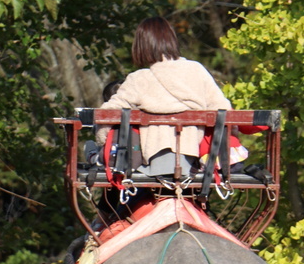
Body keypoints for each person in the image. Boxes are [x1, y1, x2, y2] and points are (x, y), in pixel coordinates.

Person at [95, 16, 234, 177]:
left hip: (152, 158)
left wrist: (101, 140)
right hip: (192, 155)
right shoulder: (197, 70)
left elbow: (108, 113)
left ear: (142, 45)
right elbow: (223, 108)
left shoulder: (140, 79)